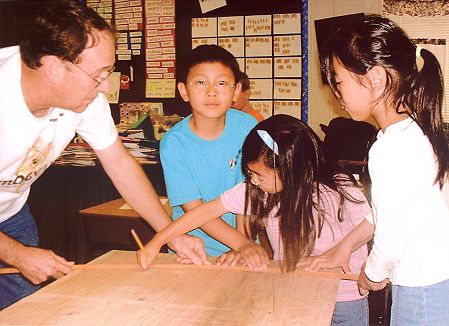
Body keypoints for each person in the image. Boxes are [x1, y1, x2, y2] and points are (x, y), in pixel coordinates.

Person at [0, 0, 207, 309]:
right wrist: (17, 254)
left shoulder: (84, 95)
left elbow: (119, 162)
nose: (106, 86)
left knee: (23, 309)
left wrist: (169, 234)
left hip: (10, 213)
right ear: (55, 67)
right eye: (99, 74)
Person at [140, 114, 373, 325]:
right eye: (250, 173)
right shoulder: (258, 192)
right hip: (294, 289)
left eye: (259, 175)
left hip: (345, 296)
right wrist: (158, 241)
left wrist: (344, 248)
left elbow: (374, 222)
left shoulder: (337, 187)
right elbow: (202, 212)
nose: (254, 181)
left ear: (291, 169)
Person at [302, 14, 449, 325]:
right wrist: (346, 245)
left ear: (376, 79)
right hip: (436, 280)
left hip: (420, 289)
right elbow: (390, 210)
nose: (336, 95)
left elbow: (391, 235)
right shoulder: (413, 131)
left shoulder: (390, 148)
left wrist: (371, 274)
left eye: (339, 82)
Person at [158, 44, 258, 258]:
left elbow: (249, 192)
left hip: (244, 244)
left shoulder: (247, 126)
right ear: (184, 91)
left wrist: (243, 245)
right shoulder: (174, 143)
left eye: (221, 83)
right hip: (193, 249)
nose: (211, 91)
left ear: (237, 90)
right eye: (200, 82)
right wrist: (242, 245)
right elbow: (193, 208)